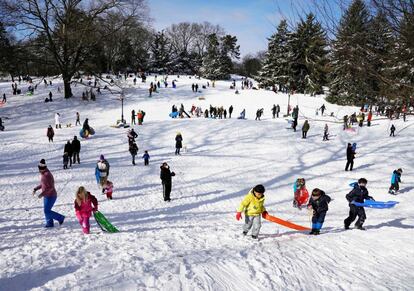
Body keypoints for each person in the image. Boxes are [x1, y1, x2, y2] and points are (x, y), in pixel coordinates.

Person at [32, 159, 65, 227]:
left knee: (47, 211)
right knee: (47, 210)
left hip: (51, 196)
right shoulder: (44, 173)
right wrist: (36, 188)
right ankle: (49, 223)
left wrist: (42, 194)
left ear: (43, 169)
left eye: (40, 169)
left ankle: (60, 218)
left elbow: (50, 187)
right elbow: (43, 185)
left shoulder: (46, 175)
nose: (39, 170)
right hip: (47, 196)